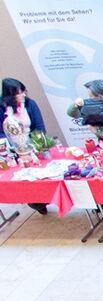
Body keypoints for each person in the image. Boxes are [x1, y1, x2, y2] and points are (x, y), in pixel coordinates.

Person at [3, 77, 51, 213]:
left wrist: (35, 144)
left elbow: (40, 126)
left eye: (24, 91)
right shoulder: (3, 110)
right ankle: (36, 202)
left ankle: (45, 198)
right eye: (19, 93)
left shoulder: (31, 104)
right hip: (14, 149)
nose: (23, 95)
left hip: (34, 145)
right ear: (10, 96)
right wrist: (14, 146)